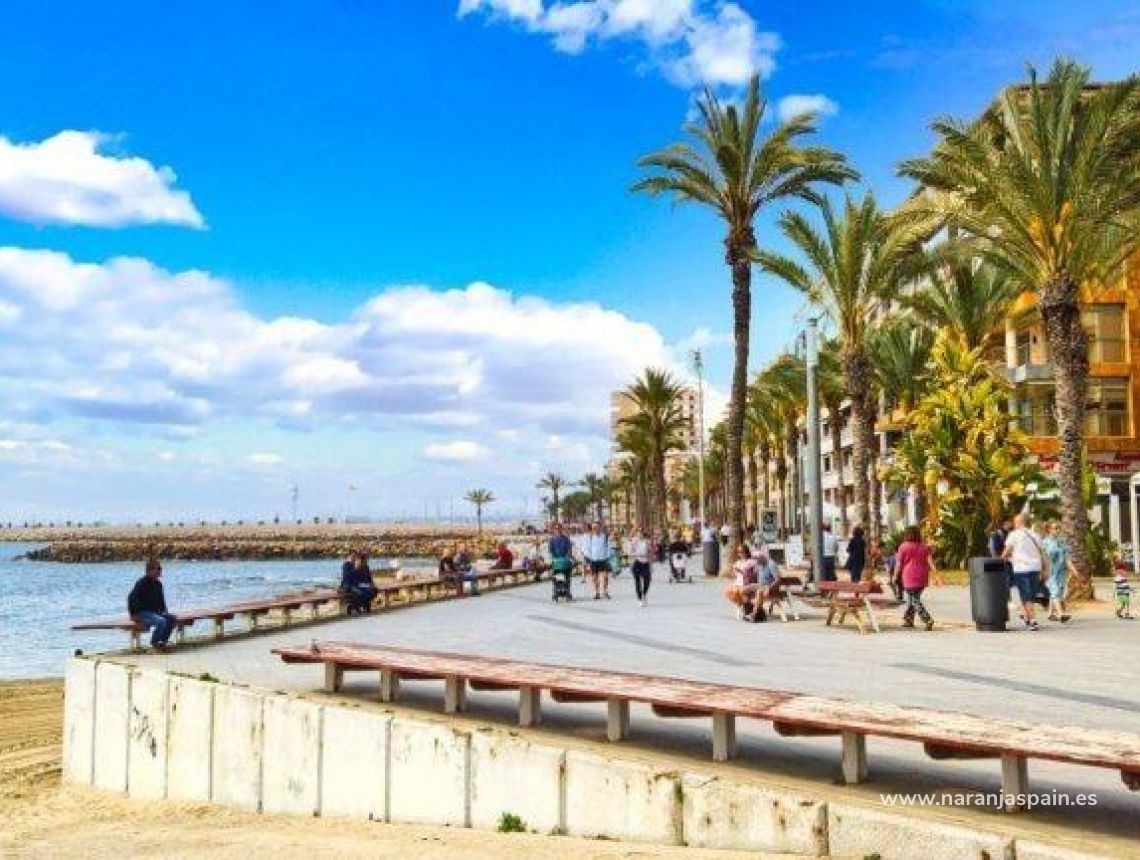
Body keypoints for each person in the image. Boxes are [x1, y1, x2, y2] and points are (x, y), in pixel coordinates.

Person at [1002, 513, 1047, 631]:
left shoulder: (1014, 535)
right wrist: (1045, 569)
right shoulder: (1035, 535)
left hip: (1021, 569)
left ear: (1018, 522)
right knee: (1030, 594)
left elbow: (1006, 551)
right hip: (1035, 568)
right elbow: (1043, 554)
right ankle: (1026, 617)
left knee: (1026, 595)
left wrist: (1002, 560)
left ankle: (1032, 620)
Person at [127, 558, 178, 652]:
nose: (160, 571)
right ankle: (155, 643)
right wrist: (133, 615)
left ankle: (163, 642)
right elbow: (131, 598)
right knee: (161, 621)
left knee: (172, 618)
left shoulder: (158, 584)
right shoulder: (142, 583)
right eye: (158, 568)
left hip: (154, 612)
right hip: (142, 613)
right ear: (149, 570)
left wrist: (165, 612)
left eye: (160, 568)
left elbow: (162, 601)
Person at [895, 525, 936, 630]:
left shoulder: (903, 546)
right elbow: (930, 558)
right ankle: (909, 619)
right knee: (912, 598)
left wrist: (895, 575)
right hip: (922, 576)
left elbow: (899, 564)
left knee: (914, 600)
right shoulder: (924, 547)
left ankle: (927, 619)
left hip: (909, 576)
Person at [1041, 522, 1074, 623]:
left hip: (1060, 571)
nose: (1058, 530)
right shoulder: (1045, 542)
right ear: (1049, 530)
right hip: (1050, 571)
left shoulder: (1061, 542)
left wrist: (1073, 570)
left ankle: (1050, 613)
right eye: (1055, 528)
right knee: (1055, 592)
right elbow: (1042, 557)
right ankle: (1061, 614)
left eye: (1059, 528)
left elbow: (1067, 558)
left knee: (1056, 592)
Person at [723, 545, 758, 620]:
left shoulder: (752, 562)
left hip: (747, 582)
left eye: (742, 552)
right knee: (727, 592)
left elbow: (754, 575)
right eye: (739, 552)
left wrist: (742, 572)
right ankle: (739, 605)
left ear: (746, 552)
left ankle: (742, 607)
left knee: (739, 591)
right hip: (738, 582)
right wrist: (733, 571)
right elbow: (735, 575)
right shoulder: (737, 562)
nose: (741, 554)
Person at [583, 521, 612, 600]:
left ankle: (605, 591)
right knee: (594, 578)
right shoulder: (590, 537)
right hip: (593, 560)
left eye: (597, 527)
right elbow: (587, 548)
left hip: (603, 559)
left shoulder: (605, 537)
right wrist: (588, 557)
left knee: (605, 576)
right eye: (593, 528)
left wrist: (608, 556)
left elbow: (609, 547)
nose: (595, 529)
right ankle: (597, 592)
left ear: (600, 527)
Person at [629, 528, 653, 607]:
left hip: (645, 563)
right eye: (638, 533)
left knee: (647, 580)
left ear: (643, 534)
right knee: (637, 581)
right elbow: (630, 553)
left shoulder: (647, 542)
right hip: (637, 562)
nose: (639, 535)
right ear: (636, 534)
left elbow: (650, 552)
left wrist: (650, 561)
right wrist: (637, 555)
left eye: (641, 533)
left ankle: (644, 594)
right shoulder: (633, 542)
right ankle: (640, 598)